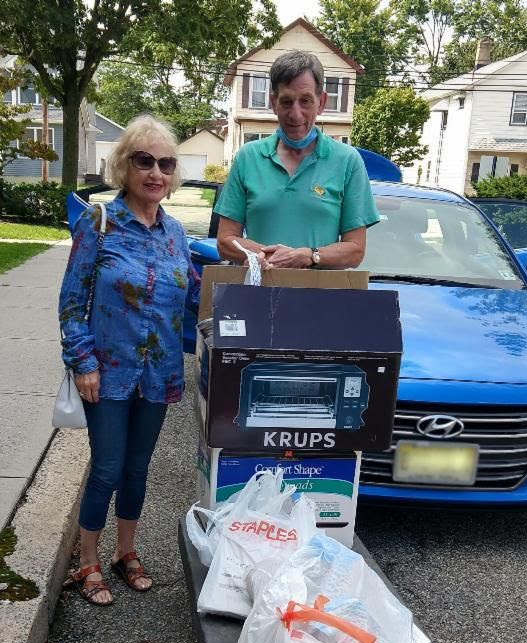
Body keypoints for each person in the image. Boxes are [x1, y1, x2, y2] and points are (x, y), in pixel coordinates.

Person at [58, 114, 200, 606]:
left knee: (138, 469)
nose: (156, 172)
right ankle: (88, 560)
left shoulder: (176, 233)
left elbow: (195, 296)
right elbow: (72, 302)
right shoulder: (98, 223)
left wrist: (251, 278)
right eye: (145, 161)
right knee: (107, 468)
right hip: (109, 371)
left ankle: (126, 551)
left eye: (165, 163)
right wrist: (83, 362)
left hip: (159, 373)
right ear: (124, 166)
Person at [217, 50, 380, 270]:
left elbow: (355, 250)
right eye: (286, 102)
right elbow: (226, 241)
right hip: (258, 298)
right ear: (273, 102)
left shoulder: (347, 161)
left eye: (305, 101)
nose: (296, 114)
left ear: (321, 102)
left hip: (317, 300)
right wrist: (267, 256)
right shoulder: (248, 157)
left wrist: (309, 256)